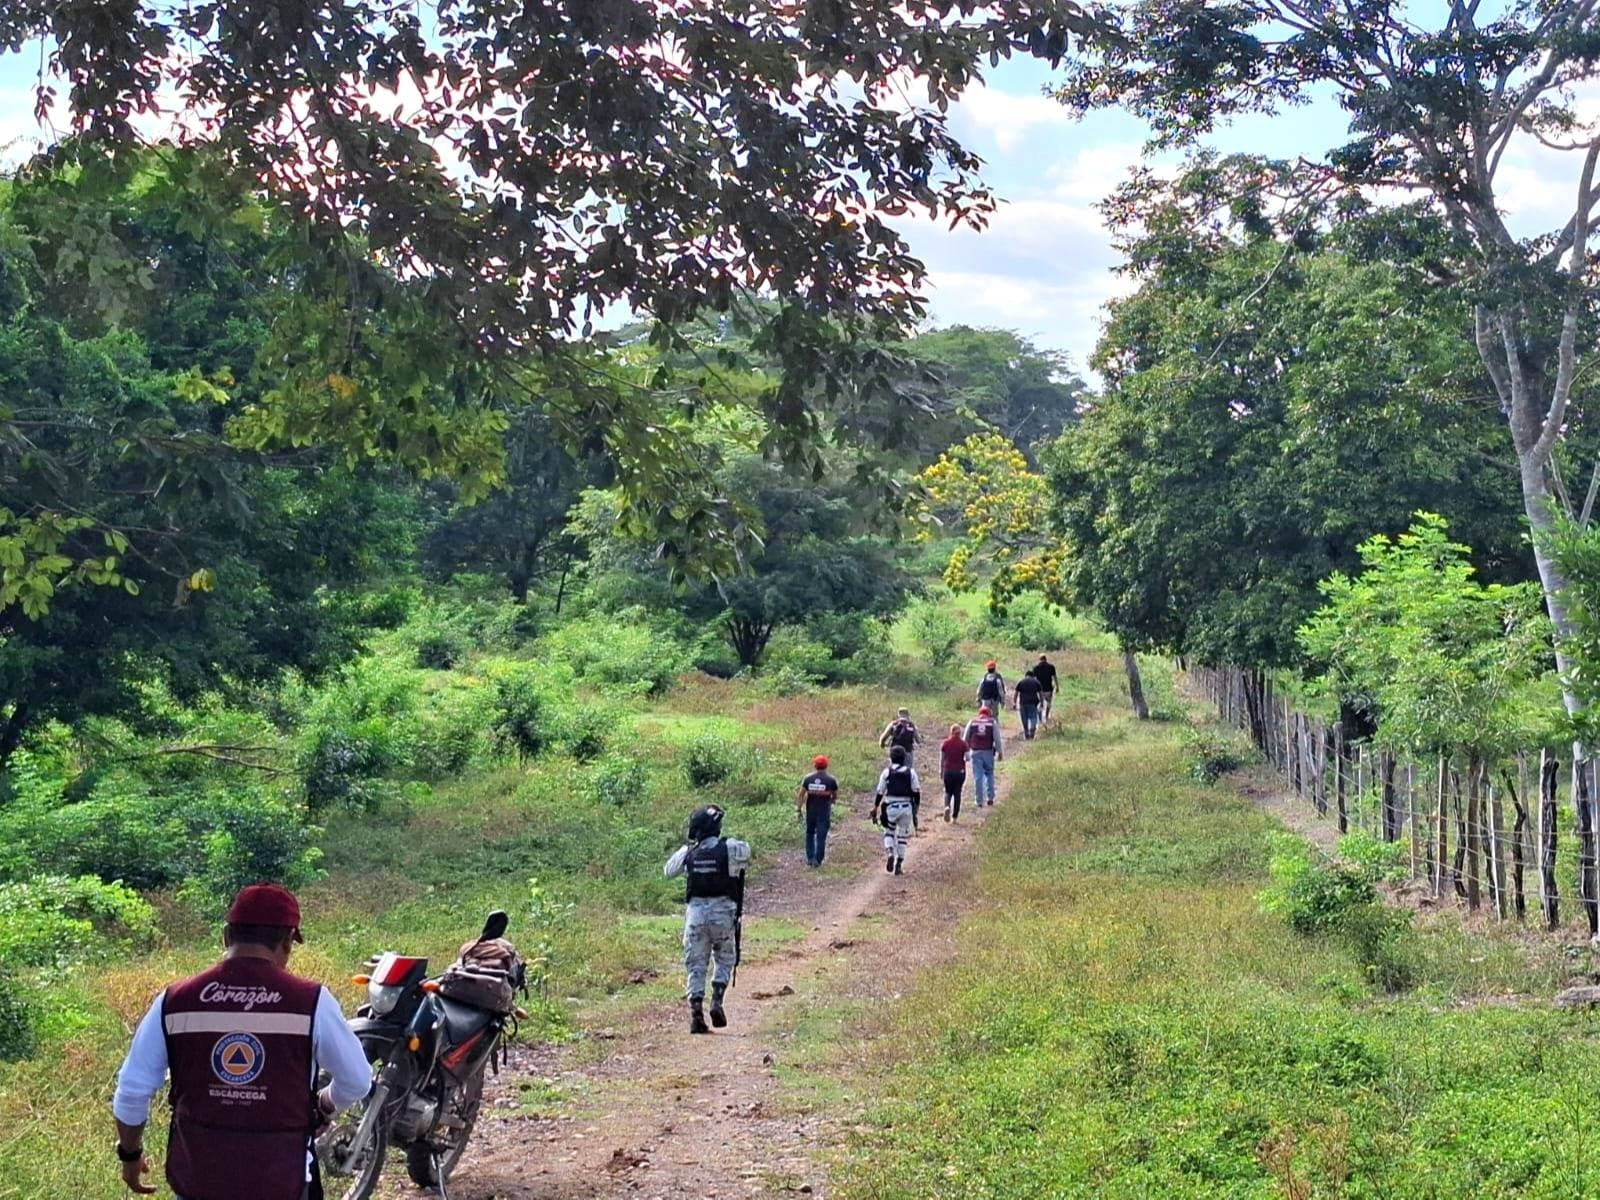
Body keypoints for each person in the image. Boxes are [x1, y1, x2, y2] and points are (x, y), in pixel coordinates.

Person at [111, 884, 372, 1200]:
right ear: (288, 942)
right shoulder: (312, 1001)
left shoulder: (176, 1000)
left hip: (199, 1181)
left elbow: (133, 1089)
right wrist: (322, 1106)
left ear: (225, 936)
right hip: (282, 1181)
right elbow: (357, 1080)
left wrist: (130, 1155)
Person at [664, 805, 750, 1034]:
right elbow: (745, 856)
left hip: (696, 915)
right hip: (723, 913)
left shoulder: (688, 853)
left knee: (696, 964)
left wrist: (689, 849)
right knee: (724, 958)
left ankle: (696, 1016)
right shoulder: (730, 848)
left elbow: (668, 871)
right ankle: (717, 1001)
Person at [871, 746, 920, 875]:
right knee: (902, 836)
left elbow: (880, 792)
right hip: (906, 807)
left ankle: (890, 852)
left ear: (891, 758)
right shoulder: (911, 773)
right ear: (904, 758)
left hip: (891, 807)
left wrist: (875, 807)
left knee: (889, 832)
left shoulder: (886, 772)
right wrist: (916, 810)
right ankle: (899, 864)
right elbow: (916, 792)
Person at [797, 755, 839, 867]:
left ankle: (810, 857)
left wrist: (799, 809)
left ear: (815, 765)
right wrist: (832, 801)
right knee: (821, 835)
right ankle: (818, 859)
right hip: (824, 812)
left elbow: (801, 795)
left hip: (810, 811)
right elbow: (834, 796)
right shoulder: (831, 780)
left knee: (810, 833)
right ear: (826, 766)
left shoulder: (808, 779)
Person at [963, 705, 1004, 808]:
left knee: (978, 776)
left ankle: (979, 800)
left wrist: (965, 751)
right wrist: (1000, 752)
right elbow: (997, 739)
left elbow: (965, 738)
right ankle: (990, 797)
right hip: (988, 752)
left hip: (975, 752)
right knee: (989, 774)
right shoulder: (992, 723)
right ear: (989, 713)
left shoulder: (972, 722)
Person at [939, 723, 969, 822]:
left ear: (951, 732)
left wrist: (941, 770)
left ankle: (947, 806)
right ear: (960, 733)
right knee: (957, 793)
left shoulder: (946, 743)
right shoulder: (963, 744)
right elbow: (967, 758)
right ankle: (955, 817)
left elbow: (942, 759)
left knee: (948, 791)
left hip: (948, 770)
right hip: (960, 771)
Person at [878, 707, 922, 771]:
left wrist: (882, 744)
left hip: (895, 752)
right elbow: (918, 740)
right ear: (908, 715)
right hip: (908, 752)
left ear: (898, 715)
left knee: (894, 770)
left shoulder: (893, 724)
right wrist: (920, 740)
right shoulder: (911, 725)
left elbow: (883, 738)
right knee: (908, 771)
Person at [1014, 667, 1044, 740]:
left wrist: (1014, 703)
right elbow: (1040, 693)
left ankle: (1026, 733)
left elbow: (1016, 693)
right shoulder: (1036, 682)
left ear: (1026, 675)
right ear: (1033, 676)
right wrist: (1042, 702)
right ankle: (1032, 732)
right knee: (1033, 717)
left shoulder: (1021, 682)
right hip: (1033, 703)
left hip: (1023, 703)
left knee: (1024, 718)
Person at [1033, 654, 1059, 723]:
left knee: (1040, 704)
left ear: (1040, 659)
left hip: (1039, 690)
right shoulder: (1051, 667)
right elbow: (1054, 677)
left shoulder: (1036, 668)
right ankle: (1046, 717)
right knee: (1048, 703)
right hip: (1048, 689)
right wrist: (1057, 687)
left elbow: (1034, 679)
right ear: (1046, 659)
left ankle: (1040, 719)